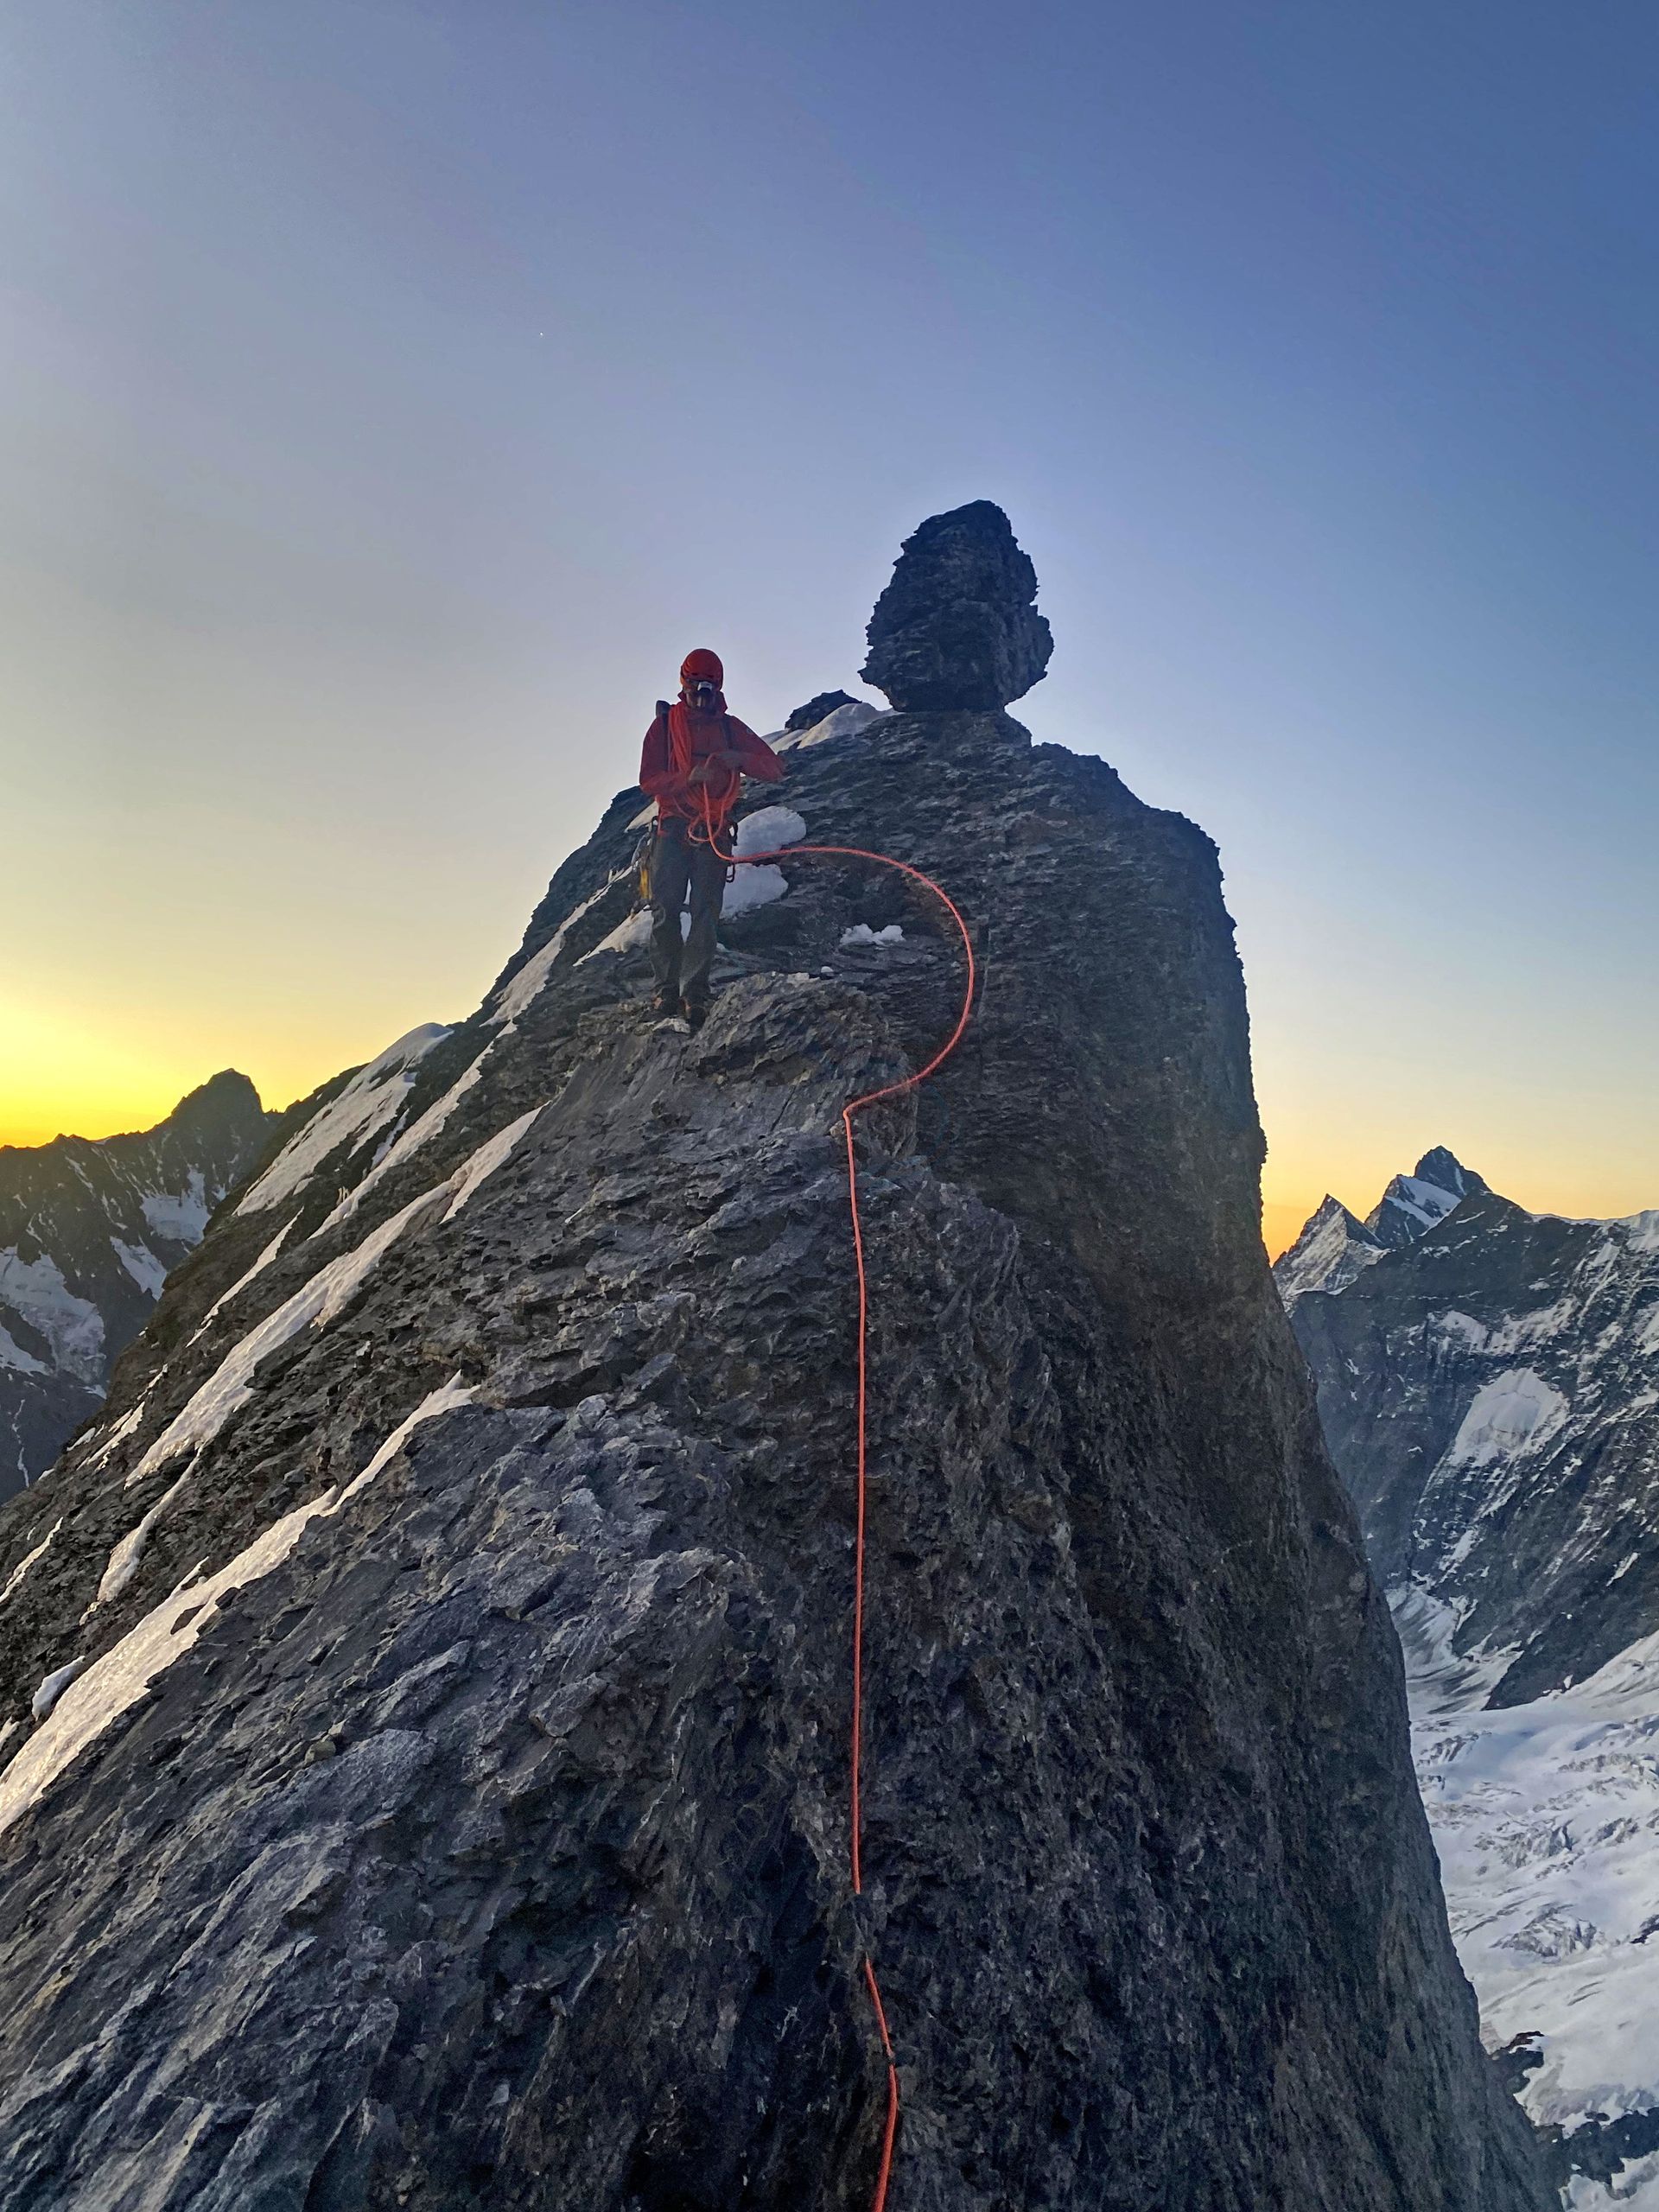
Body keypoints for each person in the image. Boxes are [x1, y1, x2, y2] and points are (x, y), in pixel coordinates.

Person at [638, 649, 784, 1028]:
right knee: (666, 908)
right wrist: (687, 779)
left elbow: (774, 768)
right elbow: (649, 780)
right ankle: (666, 988)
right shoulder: (665, 728)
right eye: (693, 690)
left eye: (707, 690)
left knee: (705, 912)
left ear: (717, 689)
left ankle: (695, 991)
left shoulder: (731, 728)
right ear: (683, 686)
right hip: (672, 829)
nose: (700, 698)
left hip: (713, 830)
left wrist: (740, 758)